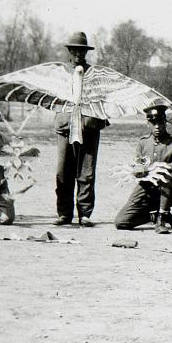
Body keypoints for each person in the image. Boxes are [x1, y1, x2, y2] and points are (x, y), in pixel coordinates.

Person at [54, 31, 109, 226]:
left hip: (89, 129)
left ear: (86, 52)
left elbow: (104, 100)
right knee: (63, 172)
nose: (78, 53)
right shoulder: (60, 73)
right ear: (70, 51)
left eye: (82, 50)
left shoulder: (95, 74)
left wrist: (99, 120)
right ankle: (64, 213)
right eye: (75, 50)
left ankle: (84, 213)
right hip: (65, 128)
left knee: (86, 173)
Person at [114, 104, 172, 234]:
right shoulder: (143, 142)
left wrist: (161, 166)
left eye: (160, 122)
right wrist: (138, 170)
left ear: (165, 123)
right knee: (121, 222)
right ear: (147, 123)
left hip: (170, 190)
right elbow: (138, 163)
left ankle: (162, 217)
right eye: (153, 123)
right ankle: (154, 217)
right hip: (148, 188)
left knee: (163, 174)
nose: (157, 127)